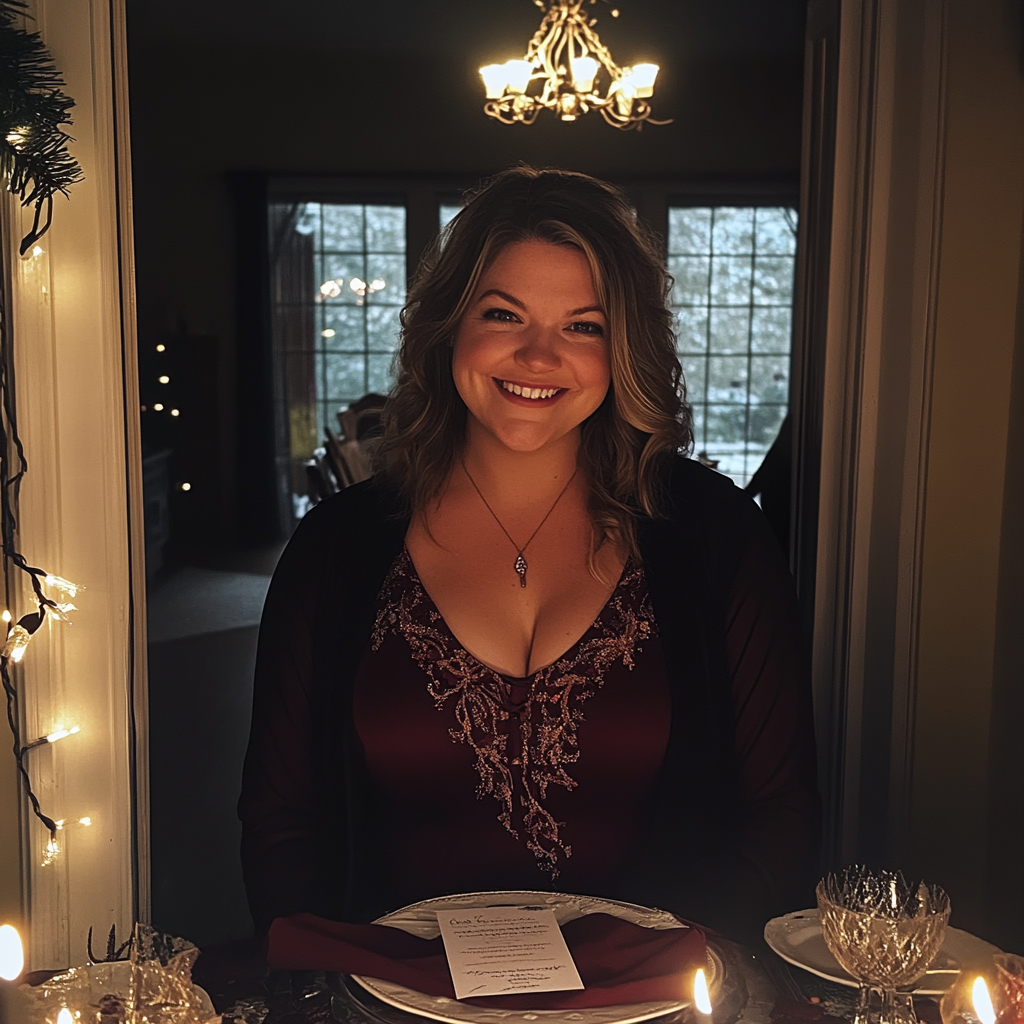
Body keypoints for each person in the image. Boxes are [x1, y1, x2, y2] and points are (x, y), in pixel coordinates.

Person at [238, 167, 820, 942]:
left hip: (647, 1009)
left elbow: (781, 814)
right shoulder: (333, 549)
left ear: (624, 348)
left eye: (584, 325)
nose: (540, 355)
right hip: (390, 1002)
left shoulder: (717, 536)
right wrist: (347, 984)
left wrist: (654, 981)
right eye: (505, 313)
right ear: (449, 326)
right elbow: (279, 822)